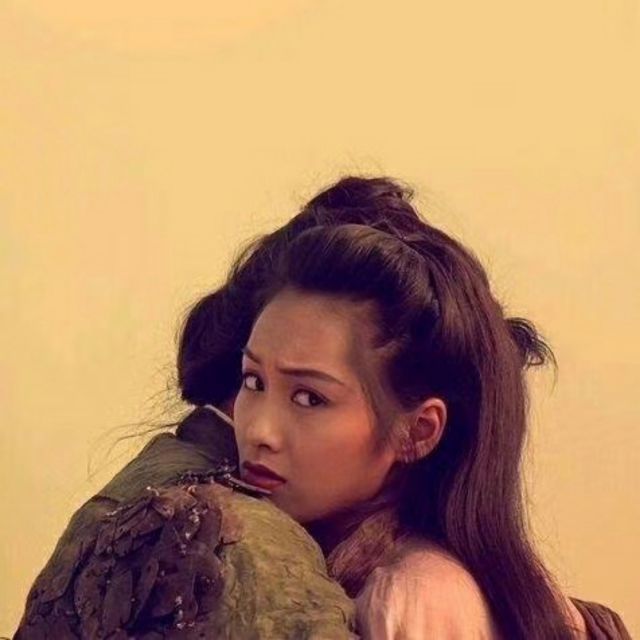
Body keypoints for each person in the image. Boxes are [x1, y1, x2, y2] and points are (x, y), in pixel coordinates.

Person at [176, 175, 630, 639]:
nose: (259, 430)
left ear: (417, 431)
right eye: (254, 381)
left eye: (310, 398)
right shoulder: (288, 548)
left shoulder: (410, 604)